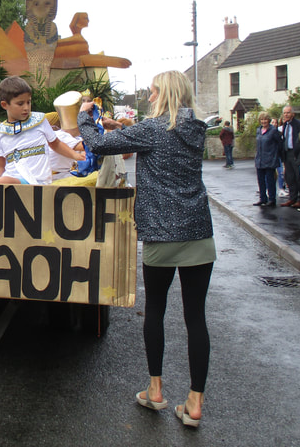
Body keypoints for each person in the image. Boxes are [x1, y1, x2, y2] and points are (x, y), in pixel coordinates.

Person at [77, 70, 215, 428]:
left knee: (155, 310)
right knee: (196, 318)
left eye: (153, 92)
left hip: (162, 234)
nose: (149, 97)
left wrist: (85, 116)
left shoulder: (152, 129)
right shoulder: (196, 128)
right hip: (199, 231)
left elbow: (98, 144)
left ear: (163, 94)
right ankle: (195, 402)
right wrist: (118, 124)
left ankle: (155, 390)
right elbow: (152, 136)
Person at [0, 76, 84, 185]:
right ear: (4, 105)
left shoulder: (39, 120)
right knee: (0, 183)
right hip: (12, 178)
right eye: (20, 104)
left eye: (28, 102)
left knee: (4, 182)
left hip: (38, 181)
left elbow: (56, 144)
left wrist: (77, 156)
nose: (26, 107)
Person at [44, 111, 85, 180]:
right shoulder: (59, 135)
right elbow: (89, 146)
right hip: (64, 179)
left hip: (50, 180)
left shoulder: (42, 139)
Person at [254, 112, 282, 207]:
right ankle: (263, 198)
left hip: (270, 159)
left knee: (270, 180)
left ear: (269, 120)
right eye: (262, 119)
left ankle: (272, 199)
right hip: (260, 159)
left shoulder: (273, 131)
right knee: (261, 181)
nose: (263, 121)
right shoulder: (259, 130)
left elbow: (279, 144)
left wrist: (276, 156)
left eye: (265, 119)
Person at [278, 106, 300, 208]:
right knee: (290, 177)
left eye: (288, 113)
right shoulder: (285, 125)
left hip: (295, 153)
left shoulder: (298, 124)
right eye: (284, 113)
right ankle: (292, 198)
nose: (286, 115)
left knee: (298, 177)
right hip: (287, 153)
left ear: (293, 114)